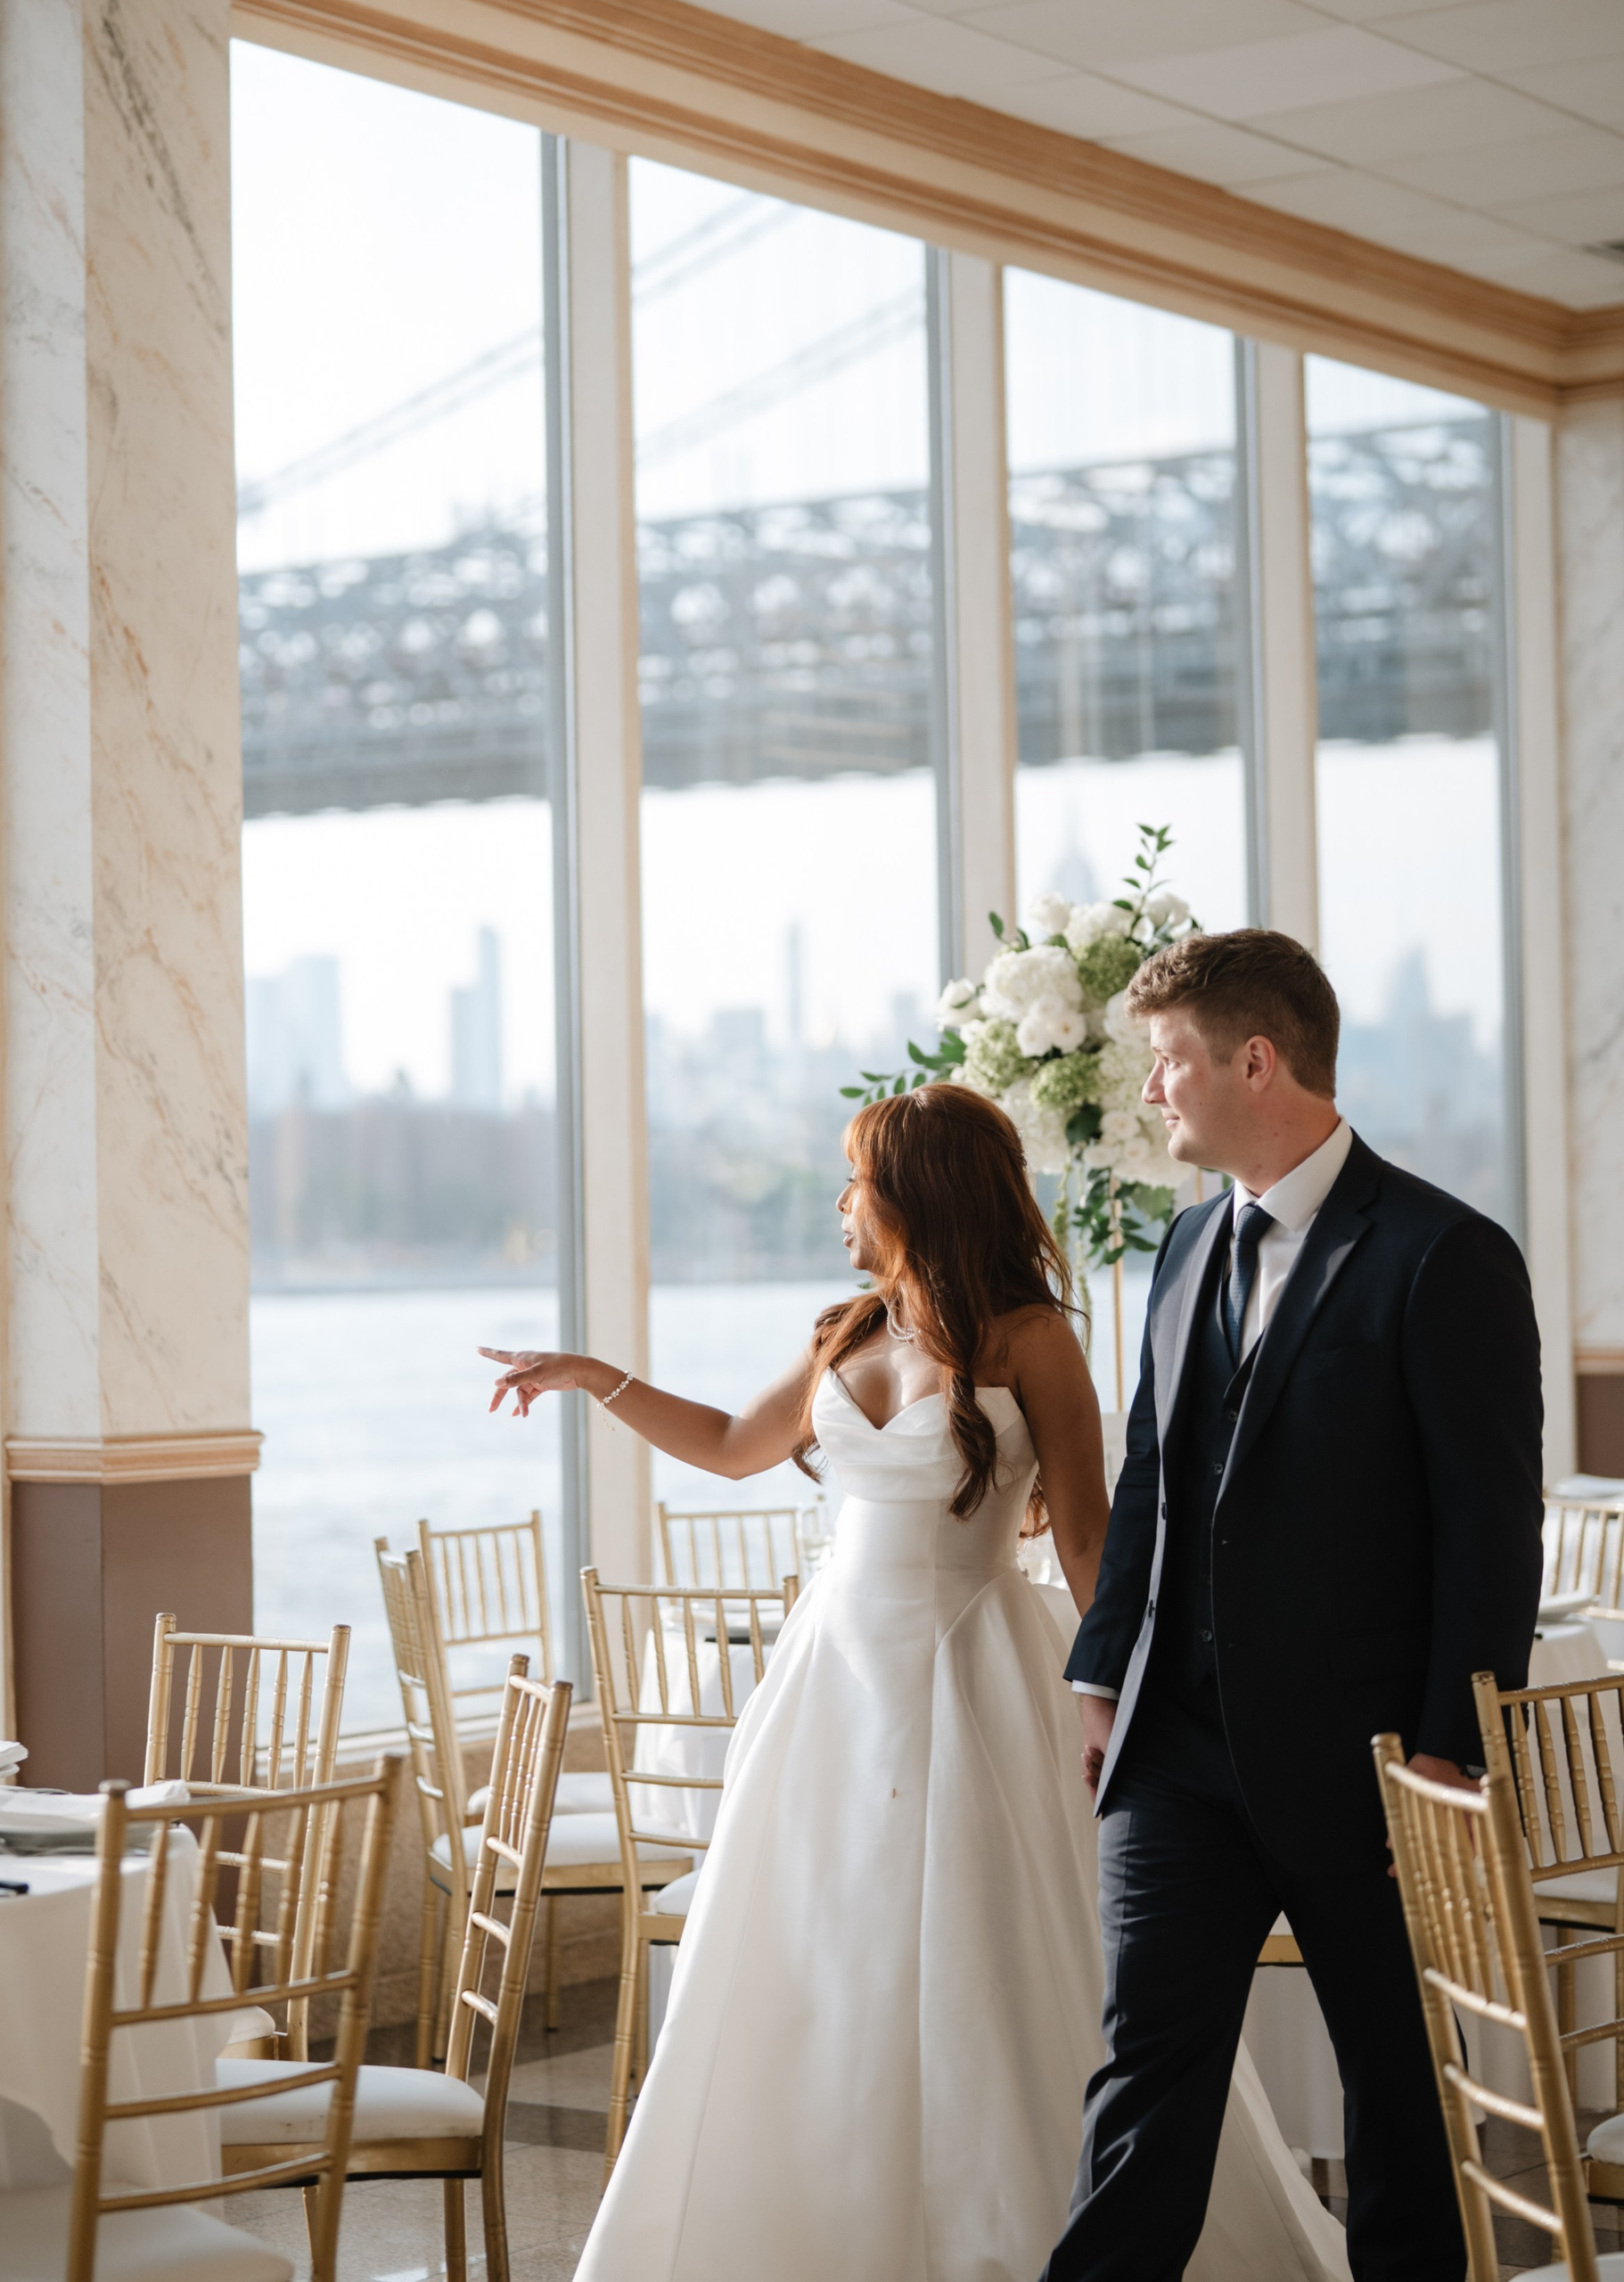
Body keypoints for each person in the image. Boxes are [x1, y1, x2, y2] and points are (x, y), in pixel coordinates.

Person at [482, 1080, 1343, 2282]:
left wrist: (1138, 1693)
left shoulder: (1034, 1336)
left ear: (915, 1192)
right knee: (820, 1956)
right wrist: (594, 1376)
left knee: (990, 1959)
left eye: (858, 1182)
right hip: (832, 1684)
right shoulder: (846, 1328)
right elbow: (736, 1447)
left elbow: (1090, 1537)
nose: (841, 1206)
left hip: (977, 1674)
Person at [1043, 929, 1543, 2282]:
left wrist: (1444, 1757)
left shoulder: (1447, 1257)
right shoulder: (1188, 1244)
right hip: (1178, 1761)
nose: (1154, 1093)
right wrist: (1105, 1678)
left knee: (1398, 2094)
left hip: (1373, 1769)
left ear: (1253, 1061)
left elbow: (1491, 1534)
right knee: (1143, 2081)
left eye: (1168, 1064)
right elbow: (1153, 1477)